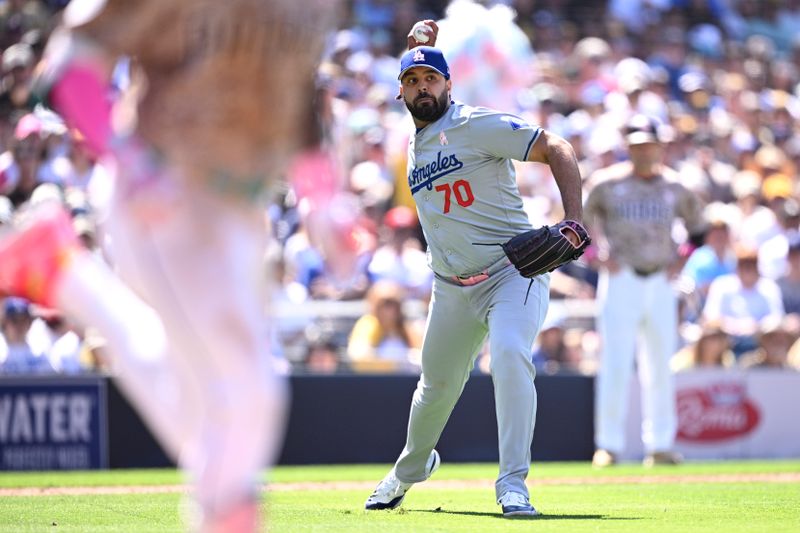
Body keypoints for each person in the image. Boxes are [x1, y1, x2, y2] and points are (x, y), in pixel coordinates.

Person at [0, 1, 338, 532]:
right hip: (164, 188)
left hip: (241, 207)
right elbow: (70, 66)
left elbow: (294, 94)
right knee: (252, 396)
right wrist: (127, 160)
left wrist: (324, 196)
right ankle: (68, 276)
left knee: (211, 410)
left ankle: (66, 274)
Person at [364, 21, 585, 517]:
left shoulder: (474, 124)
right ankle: (408, 470)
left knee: (508, 354)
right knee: (434, 388)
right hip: (451, 287)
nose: (424, 87)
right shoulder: (416, 138)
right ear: (401, 92)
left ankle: (513, 483)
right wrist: (417, 52)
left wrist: (573, 220)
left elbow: (558, 147)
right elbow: (422, 95)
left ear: (449, 84)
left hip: (512, 272)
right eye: (413, 81)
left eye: (432, 79)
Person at [584, 114, 705, 468]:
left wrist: (680, 261)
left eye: (648, 144)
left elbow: (698, 230)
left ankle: (661, 444)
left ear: (660, 146)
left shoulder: (676, 186)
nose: (643, 151)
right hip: (621, 278)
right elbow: (579, 222)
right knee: (615, 363)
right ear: (628, 147)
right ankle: (607, 445)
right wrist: (595, 256)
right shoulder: (607, 184)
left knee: (661, 365)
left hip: (661, 280)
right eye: (636, 145)